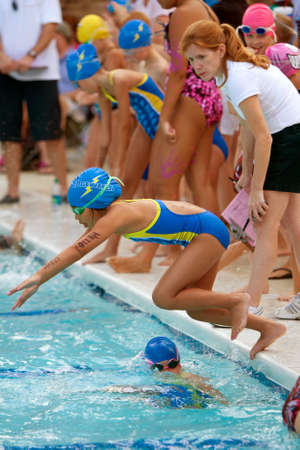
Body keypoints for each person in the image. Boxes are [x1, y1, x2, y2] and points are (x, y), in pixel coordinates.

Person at [8, 167, 286, 359]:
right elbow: (78, 247)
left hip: (207, 233)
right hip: (205, 232)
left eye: (78, 211)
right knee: (197, 310)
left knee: (163, 297)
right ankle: (267, 327)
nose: (76, 217)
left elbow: (75, 251)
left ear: (93, 207)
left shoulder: (115, 216)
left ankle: (236, 301)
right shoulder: (111, 215)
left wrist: (38, 277)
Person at [180, 20, 300, 316]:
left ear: (220, 50)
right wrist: (247, 170)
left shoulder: (237, 77)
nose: (197, 66)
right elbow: (248, 125)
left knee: (265, 224)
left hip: (287, 138)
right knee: (292, 225)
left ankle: (253, 304)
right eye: (191, 59)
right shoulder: (229, 72)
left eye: (202, 57)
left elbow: (264, 135)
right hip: (289, 134)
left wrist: (257, 189)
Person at [0, 0, 68, 203]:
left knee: (51, 131)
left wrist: (31, 55)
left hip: (42, 72)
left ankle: (63, 188)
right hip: (7, 72)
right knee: (8, 132)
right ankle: (12, 191)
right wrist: (2, 56)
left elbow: (50, 28)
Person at [106, 336, 228, 407]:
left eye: (172, 364)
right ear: (152, 368)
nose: (167, 371)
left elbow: (220, 398)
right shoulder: (153, 384)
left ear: (179, 361)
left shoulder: (190, 378)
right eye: (160, 367)